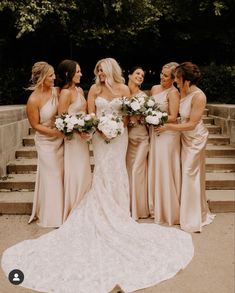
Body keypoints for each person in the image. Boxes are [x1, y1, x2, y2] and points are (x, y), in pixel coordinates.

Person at [1, 58, 194, 293]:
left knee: (118, 171)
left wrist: (118, 128)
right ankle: (100, 208)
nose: (99, 74)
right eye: (97, 71)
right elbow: (90, 113)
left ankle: (120, 210)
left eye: (102, 71)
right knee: (103, 171)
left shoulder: (124, 89)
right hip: (100, 138)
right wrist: (100, 128)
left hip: (119, 137)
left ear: (110, 70)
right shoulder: (93, 89)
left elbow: (126, 114)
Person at [156, 61, 215, 232]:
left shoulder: (199, 96)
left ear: (187, 80)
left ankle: (193, 218)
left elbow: (191, 124)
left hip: (195, 139)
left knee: (190, 173)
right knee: (186, 174)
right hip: (183, 137)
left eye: (178, 78)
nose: (176, 81)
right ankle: (188, 211)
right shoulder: (181, 91)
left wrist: (168, 127)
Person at [27, 61, 64, 228]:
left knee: (61, 174)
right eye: (51, 75)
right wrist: (54, 132)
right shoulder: (33, 100)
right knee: (53, 174)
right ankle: (52, 215)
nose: (54, 77)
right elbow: (35, 125)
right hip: (45, 142)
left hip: (60, 139)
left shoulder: (57, 91)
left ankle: (63, 210)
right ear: (42, 78)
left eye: (54, 74)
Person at [57, 59, 92, 222]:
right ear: (67, 74)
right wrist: (79, 131)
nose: (81, 74)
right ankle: (75, 208)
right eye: (77, 71)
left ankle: (85, 205)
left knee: (84, 171)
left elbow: (83, 114)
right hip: (73, 140)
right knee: (76, 171)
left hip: (83, 140)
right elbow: (62, 120)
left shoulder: (79, 90)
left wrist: (87, 126)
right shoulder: (65, 93)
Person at [148, 62, 181, 225]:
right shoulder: (154, 89)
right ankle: (156, 204)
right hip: (155, 132)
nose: (161, 77)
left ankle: (168, 208)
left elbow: (174, 116)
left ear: (174, 79)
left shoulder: (174, 93)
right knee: (155, 165)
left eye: (166, 75)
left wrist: (153, 117)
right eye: (161, 73)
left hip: (167, 133)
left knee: (165, 166)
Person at [126, 66, 150, 220]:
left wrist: (141, 118)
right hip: (126, 139)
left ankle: (139, 210)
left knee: (137, 171)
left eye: (142, 75)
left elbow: (149, 117)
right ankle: (127, 207)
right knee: (128, 172)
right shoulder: (122, 93)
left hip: (142, 138)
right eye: (137, 73)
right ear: (129, 75)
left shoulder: (144, 96)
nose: (140, 76)